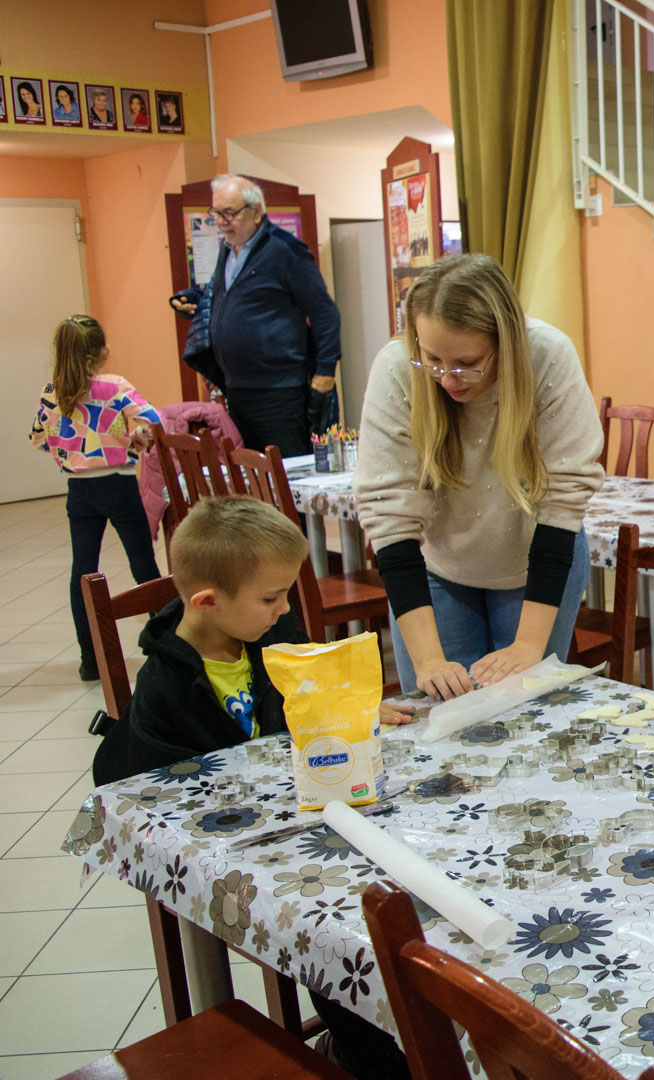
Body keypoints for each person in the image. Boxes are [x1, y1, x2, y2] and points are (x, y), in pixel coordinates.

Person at [89, 496, 414, 1080]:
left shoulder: (268, 631)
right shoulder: (164, 689)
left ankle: (395, 1041)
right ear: (207, 602)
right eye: (271, 598)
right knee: (330, 944)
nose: (285, 609)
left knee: (388, 907)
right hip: (242, 859)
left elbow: (308, 689)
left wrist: (350, 709)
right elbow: (161, 803)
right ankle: (370, 1059)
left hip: (307, 828)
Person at [355, 254, 602, 700]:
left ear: (505, 343)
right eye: (433, 360)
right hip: (438, 565)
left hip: (537, 558)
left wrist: (528, 646)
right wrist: (428, 662)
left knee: (524, 710)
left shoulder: (547, 356)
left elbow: (562, 504)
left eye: (467, 362)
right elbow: (389, 520)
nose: (448, 380)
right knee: (439, 709)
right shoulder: (396, 366)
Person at [29, 315, 163, 682]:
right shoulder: (114, 386)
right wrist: (133, 440)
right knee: (143, 564)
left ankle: (90, 659)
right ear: (102, 353)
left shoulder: (52, 390)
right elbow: (155, 421)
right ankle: (166, 642)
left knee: (83, 573)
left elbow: (39, 439)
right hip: (118, 486)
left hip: (79, 491)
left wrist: (77, 451)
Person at [168, 176, 341, 453]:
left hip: (279, 393)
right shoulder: (228, 250)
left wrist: (326, 371)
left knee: (286, 472)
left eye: (229, 213)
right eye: (216, 213)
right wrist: (194, 300)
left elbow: (324, 312)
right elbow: (232, 299)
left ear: (257, 211)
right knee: (253, 472)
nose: (221, 221)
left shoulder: (286, 250)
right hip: (237, 390)